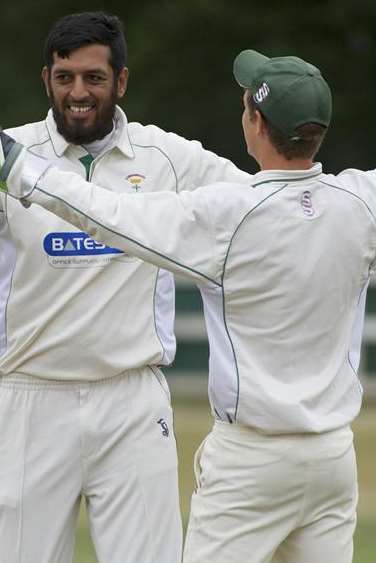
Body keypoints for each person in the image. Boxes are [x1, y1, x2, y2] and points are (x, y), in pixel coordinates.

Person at [1, 48, 369, 563]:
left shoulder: (225, 215)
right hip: (334, 457)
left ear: (255, 122)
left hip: (251, 460)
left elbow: (111, 216)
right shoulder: (359, 202)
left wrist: (20, 169)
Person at [0, 11, 252, 563]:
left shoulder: (167, 156)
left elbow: (259, 205)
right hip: (27, 399)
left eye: (94, 77)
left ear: (121, 80)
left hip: (131, 399)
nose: (78, 93)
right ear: (46, 80)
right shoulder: (10, 157)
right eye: (65, 78)